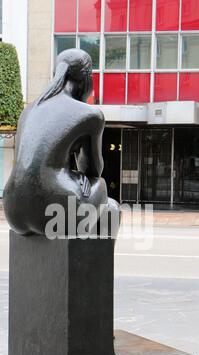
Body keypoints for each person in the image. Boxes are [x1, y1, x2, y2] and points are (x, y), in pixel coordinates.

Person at [3, 49, 120, 237]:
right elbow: (93, 171)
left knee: (101, 202)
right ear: (87, 78)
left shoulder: (29, 111)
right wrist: (76, 173)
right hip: (54, 209)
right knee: (105, 191)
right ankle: (89, 266)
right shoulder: (90, 115)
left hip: (14, 209)